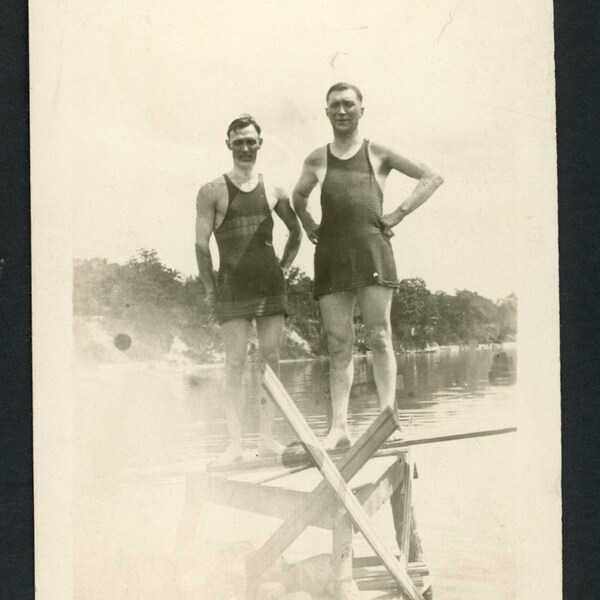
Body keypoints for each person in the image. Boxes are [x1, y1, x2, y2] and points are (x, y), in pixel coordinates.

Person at [293, 83, 444, 449]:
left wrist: (399, 213)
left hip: (372, 249)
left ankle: (386, 421)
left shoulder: (377, 152)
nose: (342, 111)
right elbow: (299, 196)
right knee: (339, 342)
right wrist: (309, 224)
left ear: (362, 109)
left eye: (349, 104)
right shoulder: (316, 159)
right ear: (326, 112)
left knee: (379, 336)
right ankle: (339, 430)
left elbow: (432, 177)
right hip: (330, 254)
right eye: (335, 106)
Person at [195, 114, 302, 466]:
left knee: (270, 361)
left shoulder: (274, 189)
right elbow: (201, 245)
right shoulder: (211, 191)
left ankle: (268, 438)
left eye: (250, 141)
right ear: (228, 144)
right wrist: (211, 289)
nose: (244, 147)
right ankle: (235, 444)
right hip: (232, 287)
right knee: (235, 364)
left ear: (260, 143)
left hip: (270, 286)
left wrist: (283, 269)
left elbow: (296, 233)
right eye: (238, 141)